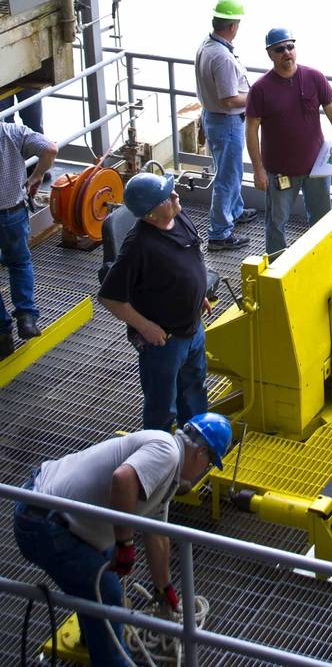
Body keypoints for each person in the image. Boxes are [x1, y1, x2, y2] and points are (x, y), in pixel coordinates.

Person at [13, 412, 231, 667]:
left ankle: (94, 634)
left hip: (48, 513)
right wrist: (125, 543)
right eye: (209, 463)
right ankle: (111, 658)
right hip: (42, 520)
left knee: (103, 572)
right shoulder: (167, 452)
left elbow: (156, 533)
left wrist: (164, 590)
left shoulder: (167, 470)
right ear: (200, 453)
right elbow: (123, 478)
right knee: (107, 590)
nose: (202, 471)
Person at [98, 173, 211, 431]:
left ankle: (196, 444)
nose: (175, 195)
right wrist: (145, 327)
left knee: (194, 389)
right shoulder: (138, 247)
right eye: (166, 196)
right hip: (164, 341)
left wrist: (198, 294)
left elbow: (191, 255)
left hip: (193, 328)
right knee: (162, 406)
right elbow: (109, 297)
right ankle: (159, 458)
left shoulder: (178, 216)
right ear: (150, 214)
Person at [246, 28, 332, 258]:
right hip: (280, 173)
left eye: (290, 46)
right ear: (270, 54)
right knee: (276, 223)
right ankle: (276, 266)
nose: (287, 52)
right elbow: (251, 129)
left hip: (317, 167)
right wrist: (259, 171)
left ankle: (323, 260)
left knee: (322, 220)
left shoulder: (314, 77)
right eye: (279, 49)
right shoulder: (260, 89)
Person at [195, 0, 257, 251]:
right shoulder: (221, 57)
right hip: (227, 121)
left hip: (213, 117)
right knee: (227, 177)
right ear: (232, 26)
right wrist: (256, 97)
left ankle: (234, 210)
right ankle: (219, 233)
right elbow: (230, 99)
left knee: (230, 171)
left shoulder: (206, 46)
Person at [0, 118, 55, 356]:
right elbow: (50, 148)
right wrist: (38, 175)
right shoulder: (12, 132)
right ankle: (27, 317)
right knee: (19, 262)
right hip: (12, 213)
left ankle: (2, 334)